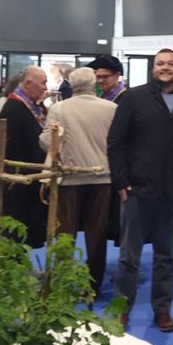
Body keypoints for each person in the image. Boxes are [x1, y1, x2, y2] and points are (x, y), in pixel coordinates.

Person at [107, 48, 173, 332]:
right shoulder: (133, 98)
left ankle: (162, 309)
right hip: (137, 189)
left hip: (171, 192)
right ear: (153, 68)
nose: (165, 67)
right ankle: (121, 309)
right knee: (129, 257)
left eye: (170, 63)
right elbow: (115, 141)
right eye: (160, 63)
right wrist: (120, 180)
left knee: (165, 256)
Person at [39, 67, 117, 296]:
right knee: (97, 234)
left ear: (71, 86)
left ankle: (63, 281)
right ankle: (92, 285)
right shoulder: (111, 108)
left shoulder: (59, 108)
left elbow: (47, 142)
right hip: (102, 178)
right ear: (94, 84)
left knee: (65, 233)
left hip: (69, 179)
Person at [0, 66, 49, 248]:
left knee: (24, 230)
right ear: (28, 83)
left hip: (27, 177)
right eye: (43, 83)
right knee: (16, 230)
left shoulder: (27, 105)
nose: (45, 88)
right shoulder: (14, 108)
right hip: (17, 180)